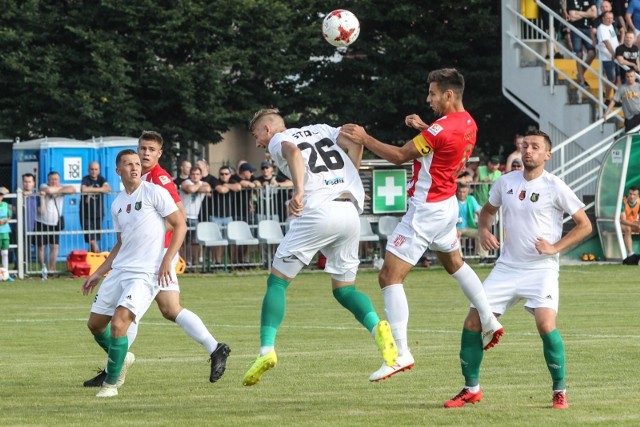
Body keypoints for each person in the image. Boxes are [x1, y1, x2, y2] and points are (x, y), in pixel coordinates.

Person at [341, 68, 504, 382]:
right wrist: (425, 127)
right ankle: (488, 317)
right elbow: (443, 140)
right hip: (445, 205)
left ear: (448, 94)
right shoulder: (468, 122)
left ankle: (401, 353)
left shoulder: (439, 129)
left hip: (426, 208)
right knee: (454, 263)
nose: (428, 99)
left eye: (432, 94)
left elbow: (401, 156)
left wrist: (365, 139)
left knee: (389, 277)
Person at [242, 108, 397, 386]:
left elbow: (292, 151)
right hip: (350, 212)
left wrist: (299, 190)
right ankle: (378, 329)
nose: (257, 144)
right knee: (345, 290)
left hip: (319, 210)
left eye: (256, 136)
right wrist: (353, 170)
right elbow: (355, 138)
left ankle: (266, 351)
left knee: (277, 283)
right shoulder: (322, 128)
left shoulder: (280, 138)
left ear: (267, 130)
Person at [443, 130, 592, 410]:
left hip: (541, 269)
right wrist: (484, 230)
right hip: (507, 267)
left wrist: (555, 247)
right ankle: (470, 389)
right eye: (525, 146)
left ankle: (559, 390)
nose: (528, 151)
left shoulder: (554, 185)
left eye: (535, 147)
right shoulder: (505, 182)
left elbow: (585, 224)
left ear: (547, 155)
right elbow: (486, 212)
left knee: (546, 324)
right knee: (472, 322)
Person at [83, 131, 229, 388]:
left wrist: (152, 236)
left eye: (151, 149)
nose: (145, 153)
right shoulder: (137, 180)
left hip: (157, 255)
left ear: (159, 154)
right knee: (169, 309)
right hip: (146, 255)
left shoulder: (159, 179)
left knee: (130, 313)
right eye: (142, 149)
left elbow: (179, 218)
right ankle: (214, 347)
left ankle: (113, 370)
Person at [82, 149, 187, 398]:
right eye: (128, 164)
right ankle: (123, 356)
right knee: (95, 325)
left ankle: (111, 384)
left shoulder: (154, 192)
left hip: (145, 273)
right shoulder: (118, 203)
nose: (134, 167)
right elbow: (121, 243)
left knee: (119, 324)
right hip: (120, 271)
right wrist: (98, 273)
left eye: (137, 163)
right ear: (118, 170)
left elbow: (181, 224)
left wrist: (167, 260)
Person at [36, 171, 76, 280]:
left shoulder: (61, 187)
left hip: (55, 221)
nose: (54, 181)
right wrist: (59, 191)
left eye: (56, 179)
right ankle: (43, 269)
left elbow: (72, 189)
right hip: (41, 221)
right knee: (42, 246)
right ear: (48, 180)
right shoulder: (43, 185)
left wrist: (58, 191)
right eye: (52, 179)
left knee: (54, 246)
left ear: (59, 180)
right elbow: (47, 190)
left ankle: (52, 269)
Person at [179, 166, 211, 266]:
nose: (195, 176)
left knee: (194, 242)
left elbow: (208, 188)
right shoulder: (185, 182)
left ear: (201, 175)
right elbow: (190, 189)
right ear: (190, 175)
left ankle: (194, 263)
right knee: (182, 242)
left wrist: (197, 187)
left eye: (197, 174)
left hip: (194, 217)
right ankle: (183, 262)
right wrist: (198, 186)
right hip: (183, 216)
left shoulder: (203, 183)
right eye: (193, 174)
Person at [80, 162, 111, 253]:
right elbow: (83, 189)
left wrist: (91, 190)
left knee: (95, 237)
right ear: (88, 170)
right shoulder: (85, 179)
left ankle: (92, 258)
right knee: (90, 236)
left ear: (99, 170)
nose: (94, 171)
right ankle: (97, 252)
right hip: (86, 213)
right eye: (92, 169)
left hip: (98, 212)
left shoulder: (101, 179)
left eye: (96, 169)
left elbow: (107, 189)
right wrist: (100, 190)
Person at [455, 184, 490, 263]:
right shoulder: (453, 200)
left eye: (464, 192)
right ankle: (460, 259)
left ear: (467, 192)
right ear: (457, 192)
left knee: (482, 233)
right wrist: (454, 229)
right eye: (460, 192)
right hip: (455, 228)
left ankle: (484, 257)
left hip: (469, 227)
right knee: (454, 236)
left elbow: (479, 213)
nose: (461, 194)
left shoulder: (471, 199)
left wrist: (483, 227)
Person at [597, 11, 621, 101]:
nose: (610, 20)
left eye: (611, 18)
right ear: (603, 18)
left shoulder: (610, 26)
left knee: (617, 79)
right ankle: (607, 98)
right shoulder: (601, 28)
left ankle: (615, 99)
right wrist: (613, 53)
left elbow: (614, 40)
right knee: (611, 79)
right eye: (608, 18)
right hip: (608, 57)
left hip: (615, 57)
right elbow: (606, 42)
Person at [21, 173, 38, 263]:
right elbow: (15, 210)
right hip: (20, 227)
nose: (27, 184)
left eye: (29, 181)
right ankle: (19, 267)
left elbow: (41, 211)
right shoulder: (18, 195)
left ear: (33, 183)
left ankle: (26, 268)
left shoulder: (37, 196)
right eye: (25, 181)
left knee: (28, 248)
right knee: (20, 249)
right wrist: (23, 198)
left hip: (32, 226)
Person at [620, 186, 640, 260]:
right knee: (628, 229)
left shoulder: (639, 201)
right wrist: (635, 224)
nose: (631, 196)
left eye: (634, 194)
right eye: (630, 194)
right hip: (622, 223)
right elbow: (623, 220)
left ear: (638, 196)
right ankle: (631, 254)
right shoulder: (623, 202)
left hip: (633, 222)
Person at [0, 188, 14, 281]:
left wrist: (6, 220)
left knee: (5, 252)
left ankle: (6, 274)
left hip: (4, 231)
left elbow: (10, 215)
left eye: (1, 195)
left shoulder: (5, 205)